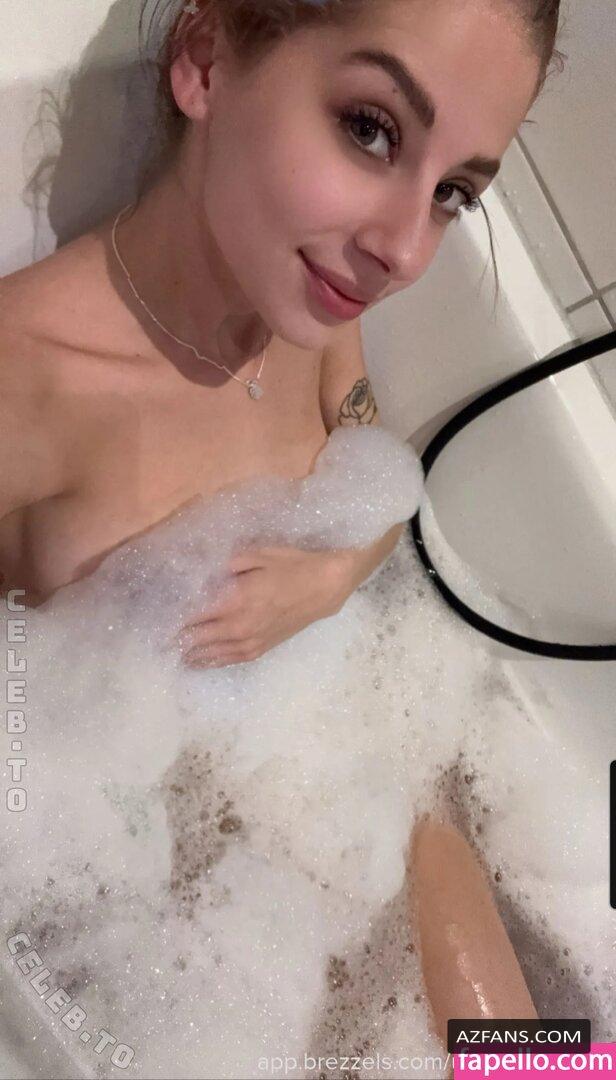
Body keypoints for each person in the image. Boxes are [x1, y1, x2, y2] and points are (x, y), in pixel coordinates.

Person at [0, 0, 561, 1062]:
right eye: (371, 129)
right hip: (159, 924)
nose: (404, 251)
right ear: (205, 58)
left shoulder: (310, 315)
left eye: (452, 193)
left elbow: (376, 480)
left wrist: (330, 578)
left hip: (379, 782)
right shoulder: (27, 388)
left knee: (546, 1057)